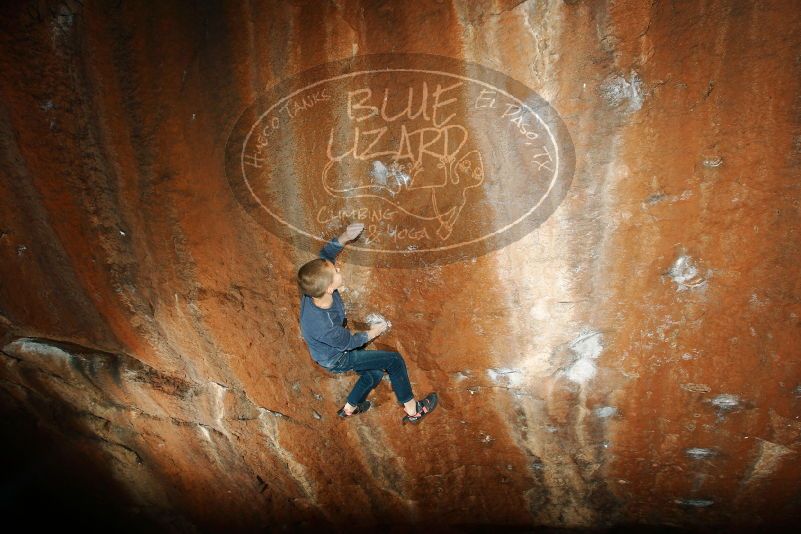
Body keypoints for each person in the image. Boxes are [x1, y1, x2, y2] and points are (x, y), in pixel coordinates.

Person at [297, 222, 437, 424]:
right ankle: (414, 411)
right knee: (393, 361)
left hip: (327, 349)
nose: (337, 269)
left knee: (373, 374)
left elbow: (325, 256)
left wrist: (345, 236)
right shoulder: (324, 325)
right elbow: (349, 343)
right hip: (336, 358)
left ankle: (349, 409)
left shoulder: (314, 287)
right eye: (335, 273)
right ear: (328, 289)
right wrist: (375, 331)